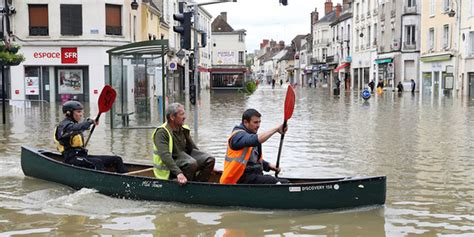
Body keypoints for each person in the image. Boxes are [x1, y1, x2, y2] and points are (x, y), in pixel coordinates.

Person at [54, 101, 128, 173]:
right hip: (71, 159)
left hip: (82, 156)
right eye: (78, 112)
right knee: (97, 162)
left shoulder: (74, 124)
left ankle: (125, 178)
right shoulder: (64, 126)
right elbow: (77, 128)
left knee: (117, 159)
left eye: (81, 112)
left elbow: (81, 127)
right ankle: (102, 183)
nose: (81, 114)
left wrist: (91, 120)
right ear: (69, 113)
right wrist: (90, 122)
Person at [220, 109, 288, 184]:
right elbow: (254, 140)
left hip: (252, 177)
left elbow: (254, 161)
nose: (258, 125)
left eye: (259, 122)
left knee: (283, 181)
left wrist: (269, 166)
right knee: (278, 182)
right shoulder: (237, 136)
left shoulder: (252, 134)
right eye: (255, 122)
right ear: (245, 122)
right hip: (237, 179)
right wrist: (276, 129)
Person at [152, 103, 215, 185]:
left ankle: (198, 185)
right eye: (181, 114)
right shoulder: (162, 132)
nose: (184, 117)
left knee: (209, 160)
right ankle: (182, 185)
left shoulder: (183, 129)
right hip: (170, 166)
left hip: (183, 159)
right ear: (172, 117)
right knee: (191, 163)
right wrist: (178, 173)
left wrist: (204, 163)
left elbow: (193, 149)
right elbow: (165, 156)